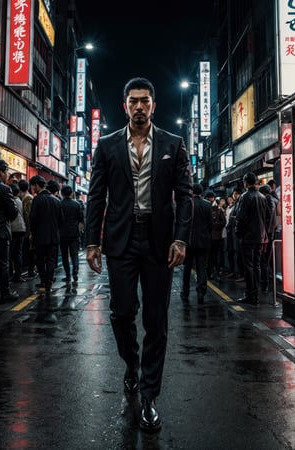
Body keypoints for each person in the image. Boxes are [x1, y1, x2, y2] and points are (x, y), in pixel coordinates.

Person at [85, 77, 193, 433]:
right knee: (121, 312)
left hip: (160, 241)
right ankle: (131, 364)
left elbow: (186, 195)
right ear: (125, 105)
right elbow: (96, 196)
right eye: (133, 101)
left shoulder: (174, 144)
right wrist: (91, 241)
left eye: (145, 101)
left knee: (156, 319)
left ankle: (149, 396)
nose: (139, 107)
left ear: (153, 105)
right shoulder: (106, 145)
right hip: (121, 240)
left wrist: (180, 239)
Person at [235, 172, 267, 306]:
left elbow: (240, 217)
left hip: (247, 236)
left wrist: (238, 232)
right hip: (259, 236)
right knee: (256, 265)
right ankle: (256, 294)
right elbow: (267, 216)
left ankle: (250, 294)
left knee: (248, 266)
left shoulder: (245, 196)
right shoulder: (262, 197)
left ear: (245, 182)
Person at [29, 175, 63, 298]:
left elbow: (32, 218)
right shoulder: (56, 200)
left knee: (40, 259)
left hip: (40, 236)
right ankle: (49, 282)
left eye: (32, 186)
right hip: (54, 236)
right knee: (51, 260)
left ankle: (43, 280)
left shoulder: (37, 200)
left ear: (37, 185)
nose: (32, 188)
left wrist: (32, 232)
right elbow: (61, 220)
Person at [180, 183, 212, 304]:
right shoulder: (207, 205)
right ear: (201, 192)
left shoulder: (188, 203)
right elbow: (210, 224)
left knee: (187, 268)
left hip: (189, 241)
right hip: (203, 241)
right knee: (201, 267)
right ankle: (201, 292)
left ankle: (185, 291)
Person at [0, 159, 19, 303]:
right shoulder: (5, 189)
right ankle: (5, 293)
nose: (7, 175)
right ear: (1, 172)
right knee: (3, 264)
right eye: (6, 172)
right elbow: (13, 212)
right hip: (0, 232)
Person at [59, 185, 84, 284]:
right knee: (74, 254)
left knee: (65, 255)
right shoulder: (77, 204)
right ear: (71, 193)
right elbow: (81, 219)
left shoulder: (59, 204)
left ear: (62, 193)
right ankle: (75, 272)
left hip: (62, 234)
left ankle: (68, 275)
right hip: (74, 233)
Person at [259, 184, 277, 293]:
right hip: (269, 233)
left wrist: (264, 229)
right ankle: (267, 282)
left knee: (264, 260)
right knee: (266, 261)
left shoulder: (268, 200)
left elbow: (268, 218)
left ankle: (264, 284)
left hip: (267, 234)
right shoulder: (272, 199)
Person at [205, 190, 226, 282]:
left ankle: (217, 272)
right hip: (208, 237)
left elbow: (223, 222)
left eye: (211, 198)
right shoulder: (206, 208)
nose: (210, 200)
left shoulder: (218, 209)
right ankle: (210, 273)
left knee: (216, 256)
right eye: (208, 198)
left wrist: (214, 224)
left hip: (216, 237)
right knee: (209, 256)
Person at [18, 179, 37, 278]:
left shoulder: (28, 198)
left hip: (28, 230)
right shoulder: (25, 198)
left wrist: (30, 232)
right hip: (26, 230)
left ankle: (31, 270)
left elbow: (29, 216)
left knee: (30, 251)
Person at [9, 183, 26, 282]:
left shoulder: (11, 201)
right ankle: (18, 275)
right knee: (18, 253)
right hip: (21, 228)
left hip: (13, 228)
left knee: (10, 254)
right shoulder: (19, 201)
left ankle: (10, 275)